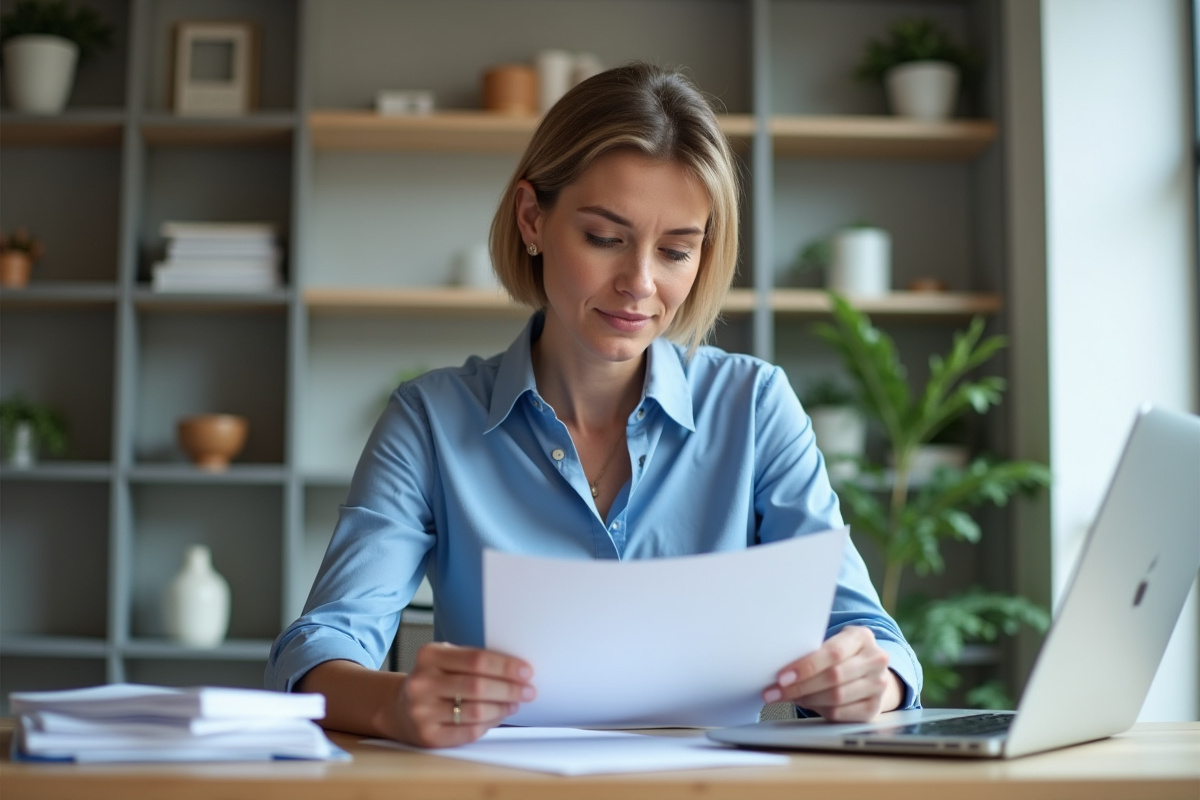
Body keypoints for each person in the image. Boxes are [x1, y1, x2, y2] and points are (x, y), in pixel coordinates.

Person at [266, 62, 922, 748]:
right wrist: (394, 704)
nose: (640, 283)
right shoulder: (430, 421)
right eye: (605, 239)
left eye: (675, 251)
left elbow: (871, 635)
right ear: (532, 219)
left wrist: (876, 681)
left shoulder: (754, 407)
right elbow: (319, 645)